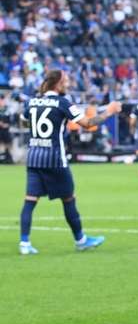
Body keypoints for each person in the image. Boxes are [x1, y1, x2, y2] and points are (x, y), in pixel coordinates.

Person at [18, 70, 121, 255]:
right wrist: (109, 112)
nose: (68, 83)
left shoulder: (32, 101)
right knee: (68, 198)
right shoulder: (63, 103)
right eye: (65, 81)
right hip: (55, 159)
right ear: (57, 83)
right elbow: (88, 123)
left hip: (33, 157)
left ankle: (24, 244)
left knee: (30, 200)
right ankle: (81, 240)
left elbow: (23, 121)